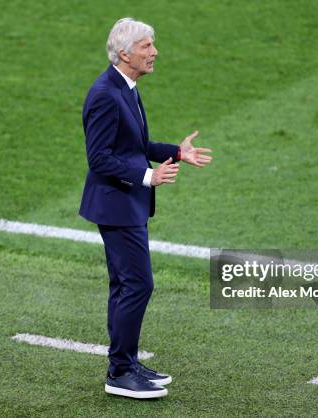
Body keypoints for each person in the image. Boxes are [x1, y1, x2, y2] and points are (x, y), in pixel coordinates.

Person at [79, 17, 213, 399]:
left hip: (127, 204)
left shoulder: (126, 87)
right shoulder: (105, 93)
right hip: (116, 205)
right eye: (146, 46)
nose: (154, 52)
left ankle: (126, 362)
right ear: (125, 53)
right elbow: (99, 158)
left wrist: (176, 153)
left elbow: (133, 144)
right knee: (137, 284)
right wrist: (147, 177)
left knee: (126, 285)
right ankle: (120, 371)